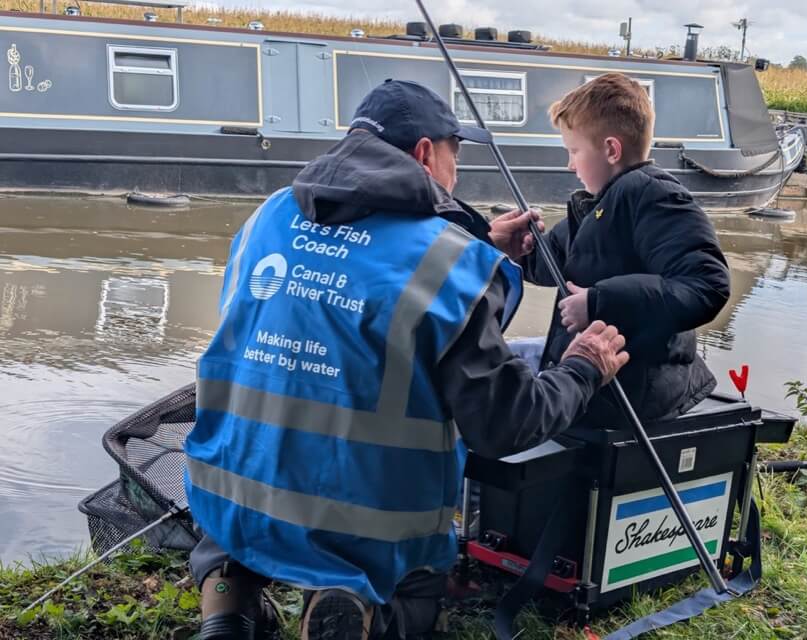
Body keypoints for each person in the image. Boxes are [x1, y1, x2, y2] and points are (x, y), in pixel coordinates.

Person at [183, 79, 629, 640]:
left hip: (228, 492)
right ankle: (360, 611)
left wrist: (482, 245)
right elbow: (506, 424)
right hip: (364, 522)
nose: (457, 175)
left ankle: (225, 604)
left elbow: (353, 293)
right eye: (455, 156)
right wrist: (584, 365)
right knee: (422, 586)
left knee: (236, 529)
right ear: (424, 153)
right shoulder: (451, 263)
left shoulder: (266, 218)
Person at [523, 73, 730, 427]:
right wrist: (519, 250)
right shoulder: (593, 207)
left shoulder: (654, 195)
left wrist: (598, 303)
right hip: (596, 388)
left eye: (574, 151)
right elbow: (552, 264)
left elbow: (707, 285)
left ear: (610, 149)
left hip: (637, 400)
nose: (569, 165)